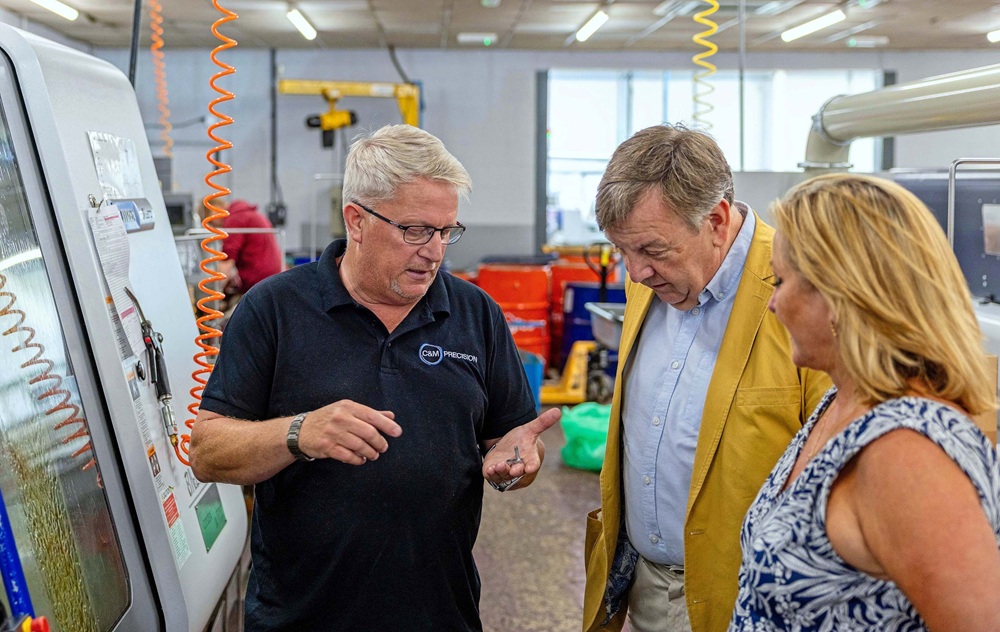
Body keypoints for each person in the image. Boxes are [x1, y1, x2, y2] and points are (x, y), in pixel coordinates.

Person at [188, 124, 560, 631]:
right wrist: (298, 433)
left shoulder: (477, 315)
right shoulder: (273, 310)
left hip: (440, 617)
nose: (435, 251)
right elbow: (207, 452)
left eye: (447, 231)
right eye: (416, 230)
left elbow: (510, 445)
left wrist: (518, 465)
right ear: (356, 221)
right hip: (301, 618)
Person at [581, 124, 830, 632]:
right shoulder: (649, 281)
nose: (635, 272)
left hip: (750, 599)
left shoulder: (806, 288)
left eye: (652, 250)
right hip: (644, 586)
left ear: (716, 220)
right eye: (622, 251)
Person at [730, 173, 1000, 631]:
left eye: (780, 280)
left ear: (839, 296)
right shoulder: (841, 405)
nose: (772, 303)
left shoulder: (907, 450)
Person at [218, 198, 283, 297]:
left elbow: (227, 260)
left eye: (211, 223)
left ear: (213, 212)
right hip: (274, 276)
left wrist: (214, 291)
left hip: (259, 281)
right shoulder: (252, 214)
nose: (217, 228)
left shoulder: (235, 219)